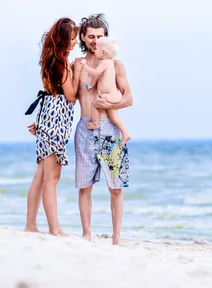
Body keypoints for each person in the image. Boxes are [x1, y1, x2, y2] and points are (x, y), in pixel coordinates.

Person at [74, 14, 133, 245]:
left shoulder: (116, 64)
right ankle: (86, 234)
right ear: (83, 37)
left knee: (116, 187)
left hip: (110, 128)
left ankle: (116, 237)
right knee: (84, 185)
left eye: (100, 37)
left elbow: (129, 98)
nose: (96, 41)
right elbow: (69, 96)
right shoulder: (78, 64)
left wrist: (111, 104)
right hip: (85, 127)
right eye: (91, 37)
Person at [23, 17, 83, 235]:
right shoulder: (62, 63)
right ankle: (54, 229)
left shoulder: (49, 60)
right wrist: (78, 71)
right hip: (56, 122)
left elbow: (52, 94)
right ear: (63, 39)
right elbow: (70, 95)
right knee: (51, 178)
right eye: (73, 39)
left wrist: (40, 122)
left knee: (40, 175)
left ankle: (31, 225)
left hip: (49, 116)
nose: (75, 43)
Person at [80, 36, 131, 147]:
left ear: (103, 52)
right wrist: (91, 85)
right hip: (112, 95)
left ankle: (94, 123)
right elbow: (98, 78)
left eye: (97, 48)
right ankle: (125, 133)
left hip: (109, 96)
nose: (95, 50)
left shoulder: (105, 62)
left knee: (94, 103)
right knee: (114, 117)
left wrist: (85, 66)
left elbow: (95, 73)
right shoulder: (109, 63)